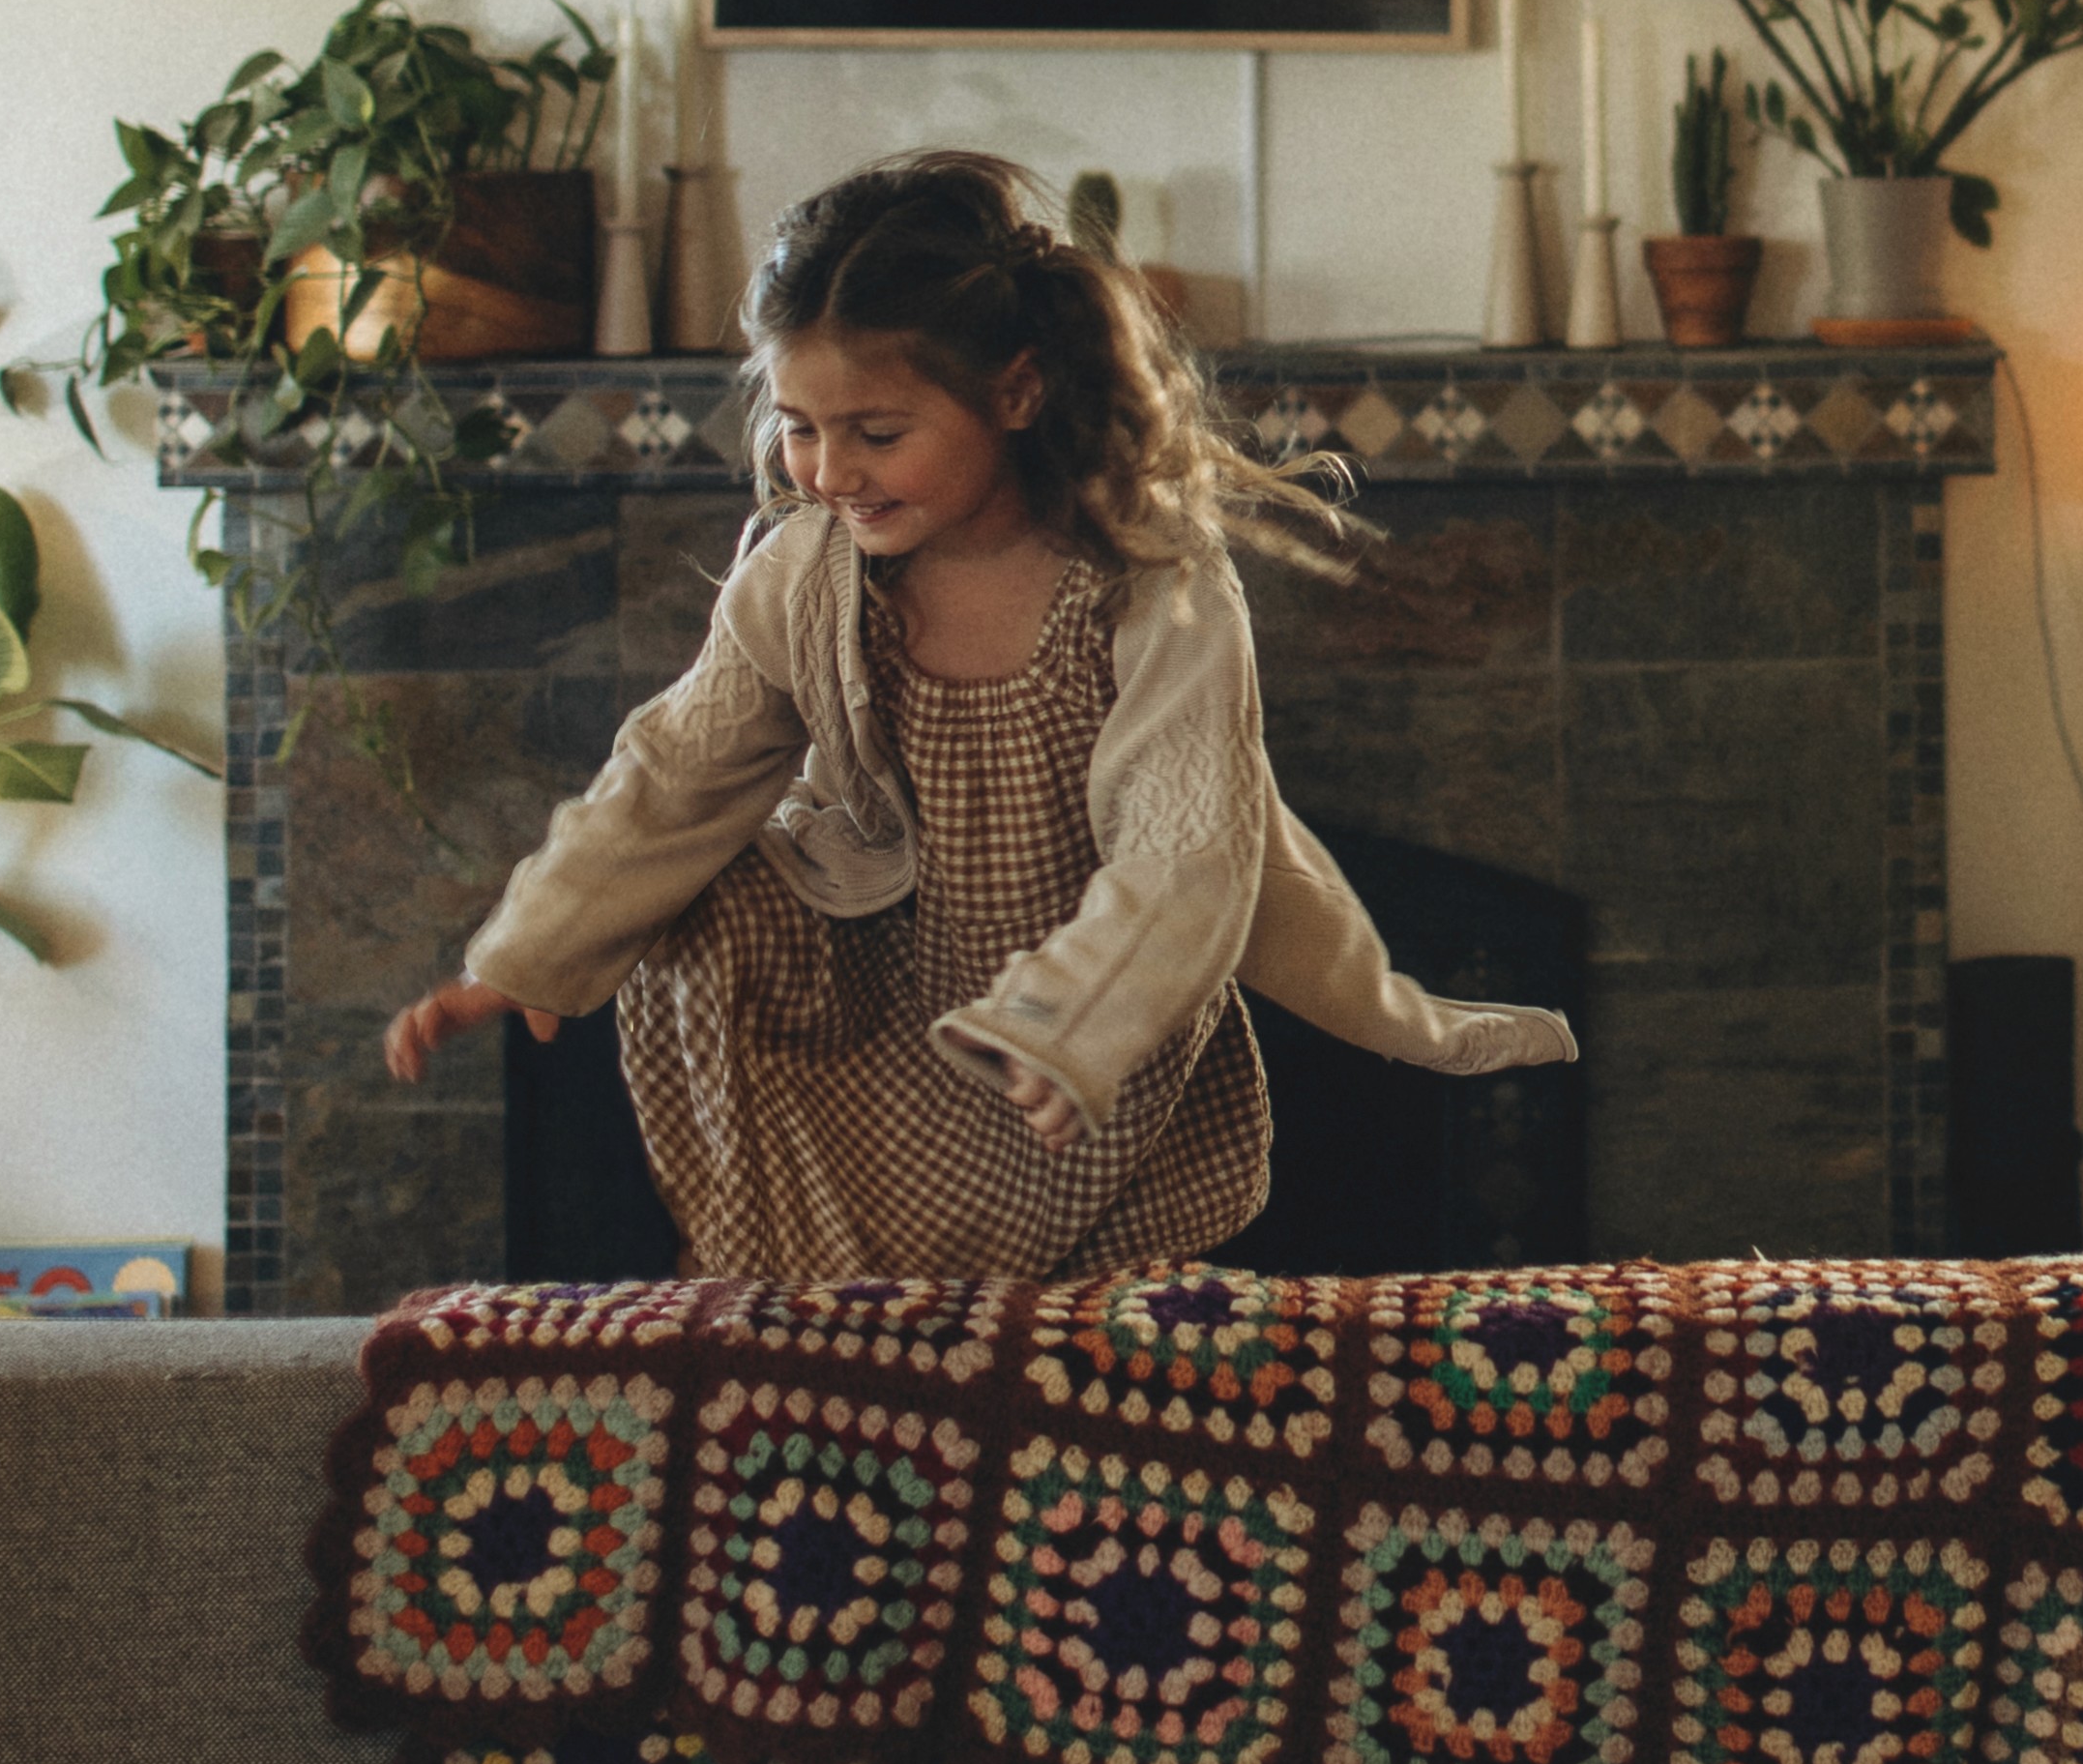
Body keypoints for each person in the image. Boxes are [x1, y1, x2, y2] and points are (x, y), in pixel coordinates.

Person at [382, 152, 1570, 1279]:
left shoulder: (1141, 579)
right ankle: (786, 1285)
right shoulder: (808, 574)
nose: (829, 472)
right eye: (800, 427)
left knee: (1074, 1271)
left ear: (1015, 390)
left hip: (1083, 1004)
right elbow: (677, 769)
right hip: (883, 988)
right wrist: (529, 952)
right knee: (698, 899)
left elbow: (1184, 842)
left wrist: (1070, 1021)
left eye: (878, 433)